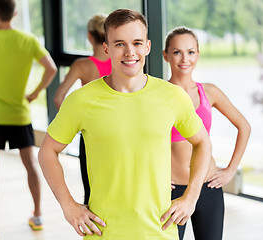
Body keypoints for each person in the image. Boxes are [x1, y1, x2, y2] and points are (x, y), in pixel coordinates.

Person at [38, 9, 212, 239]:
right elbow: (47, 151)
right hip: (104, 232)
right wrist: (68, 206)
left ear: (147, 47)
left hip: (160, 232)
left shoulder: (172, 96)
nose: (130, 52)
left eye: (137, 43)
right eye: (120, 44)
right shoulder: (82, 100)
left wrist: (191, 197)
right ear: (107, 48)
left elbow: (202, 143)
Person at [0, 0, 57, 236]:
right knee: (30, 165)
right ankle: (37, 216)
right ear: (14, 14)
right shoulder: (28, 40)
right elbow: (52, 69)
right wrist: (35, 93)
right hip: (20, 115)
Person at [163, 27, 251, 240]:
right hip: (171, 190)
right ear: (165, 55)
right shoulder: (158, 94)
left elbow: (244, 126)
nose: (185, 59)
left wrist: (231, 170)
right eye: (177, 52)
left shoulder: (209, 92)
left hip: (208, 187)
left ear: (198, 55)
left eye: (191, 52)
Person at [53, 14, 111, 205]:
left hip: (90, 136)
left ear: (89, 36)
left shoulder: (82, 66)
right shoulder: (122, 64)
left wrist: (76, 125)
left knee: (91, 193)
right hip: (118, 134)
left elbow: (58, 98)